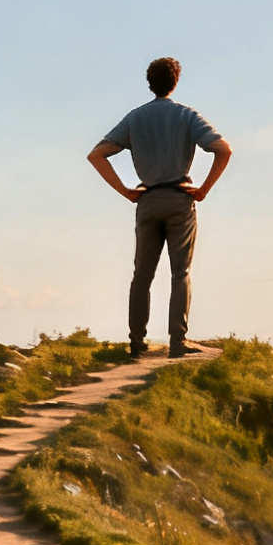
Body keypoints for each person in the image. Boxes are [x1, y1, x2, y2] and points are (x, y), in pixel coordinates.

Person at [88, 56, 232, 357]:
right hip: (180, 200)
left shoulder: (135, 118)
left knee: (142, 274)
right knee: (181, 272)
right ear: (175, 82)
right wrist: (203, 190)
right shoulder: (186, 115)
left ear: (149, 83)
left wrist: (126, 191)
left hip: (148, 200)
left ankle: (137, 343)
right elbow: (223, 149)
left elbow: (97, 155)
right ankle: (178, 343)